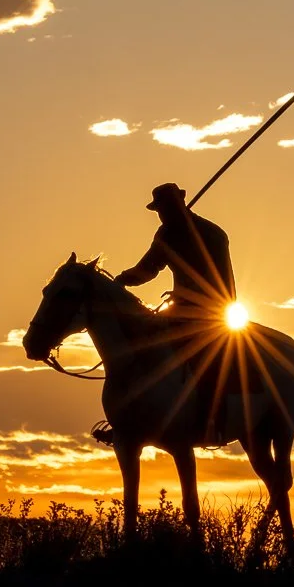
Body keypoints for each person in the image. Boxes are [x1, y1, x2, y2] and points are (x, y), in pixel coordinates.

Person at [91, 182, 237, 447]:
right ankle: (131, 418)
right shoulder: (166, 234)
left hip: (213, 311)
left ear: (180, 203)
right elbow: (148, 269)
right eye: (160, 211)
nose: (162, 215)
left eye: (165, 209)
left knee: (205, 359)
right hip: (179, 309)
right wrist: (120, 282)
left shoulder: (212, 234)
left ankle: (210, 419)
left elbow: (218, 278)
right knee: (143, 345)